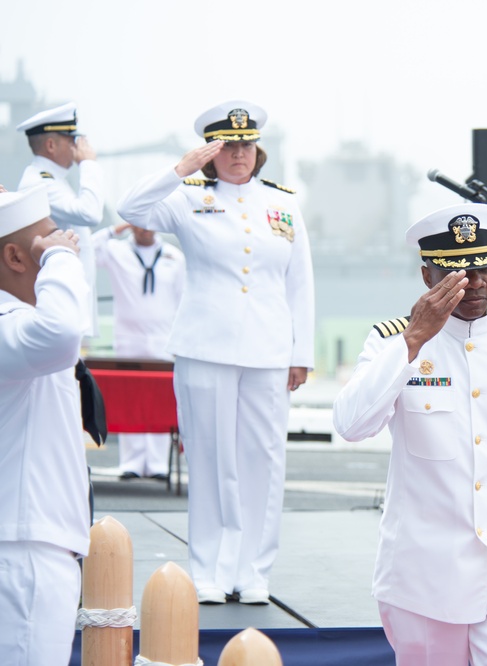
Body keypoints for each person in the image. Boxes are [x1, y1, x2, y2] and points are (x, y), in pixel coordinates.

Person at [333, 203, 487, 666]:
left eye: (484, 269)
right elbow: (352, 424)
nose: (474, 284)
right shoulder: (393, 342)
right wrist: (413, 340)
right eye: (456, 272)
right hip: (428, 571)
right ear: (427, 276)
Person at [117, 100, 315, 606]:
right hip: (205, 347)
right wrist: (179, 169)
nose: (238, 154)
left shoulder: (284, 204)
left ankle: (253, 570)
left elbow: (300, 283)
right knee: (207, 457)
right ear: (211, 151)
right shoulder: (186, 199)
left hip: (269, 350)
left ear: (258, 149)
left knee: (263, 461)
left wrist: (302, 351)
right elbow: (131, 209)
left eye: (246, 144)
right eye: (227, 145)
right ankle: (207, 569)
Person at [0, 185, 92, 664]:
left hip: (31, 539)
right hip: (23, 552)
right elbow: (61, 335)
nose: (66, 245)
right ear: (15, 257)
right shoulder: (11, 321)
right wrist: (61, 262)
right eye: (48, 242)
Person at [93, 222, 186, 481]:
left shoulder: (173, 257)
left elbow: (182, 300)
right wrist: (115, 229)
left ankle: (157, 464)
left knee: (159, 400)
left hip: (163, 338)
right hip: (129, 338)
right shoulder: (116, 251)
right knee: (130, 400)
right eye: (139, 222)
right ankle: (132, 462)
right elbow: (86, 251)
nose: (145, 228)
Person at [16, 102, 105, 337]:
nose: (77, 147)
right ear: (51, 144)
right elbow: (90, 213)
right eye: (71, 139)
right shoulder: (40, 181)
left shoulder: (53, 179)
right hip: (62, 307)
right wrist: (89, 164)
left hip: (71, 301)